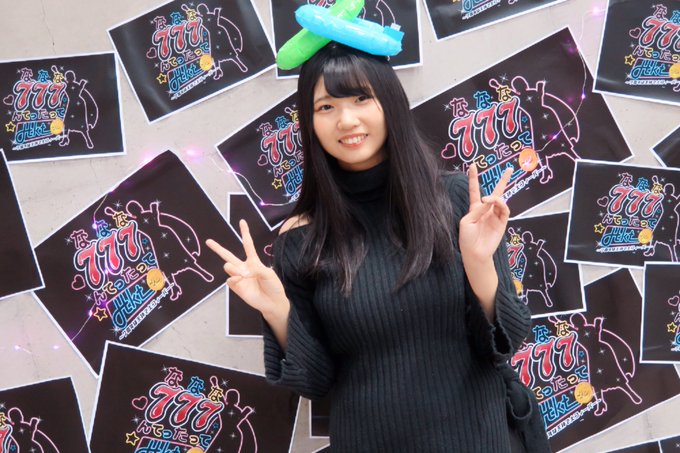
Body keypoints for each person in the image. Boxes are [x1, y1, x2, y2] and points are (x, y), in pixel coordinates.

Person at [207, 42, 550, 452]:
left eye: (361, 98)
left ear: (389, 102)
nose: (346, 120)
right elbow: (316, 383)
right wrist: (277, 311)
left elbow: (504, 343)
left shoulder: (457, 200)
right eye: (326, 107)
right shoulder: (301, 238)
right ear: (309, 123)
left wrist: (479, 263)